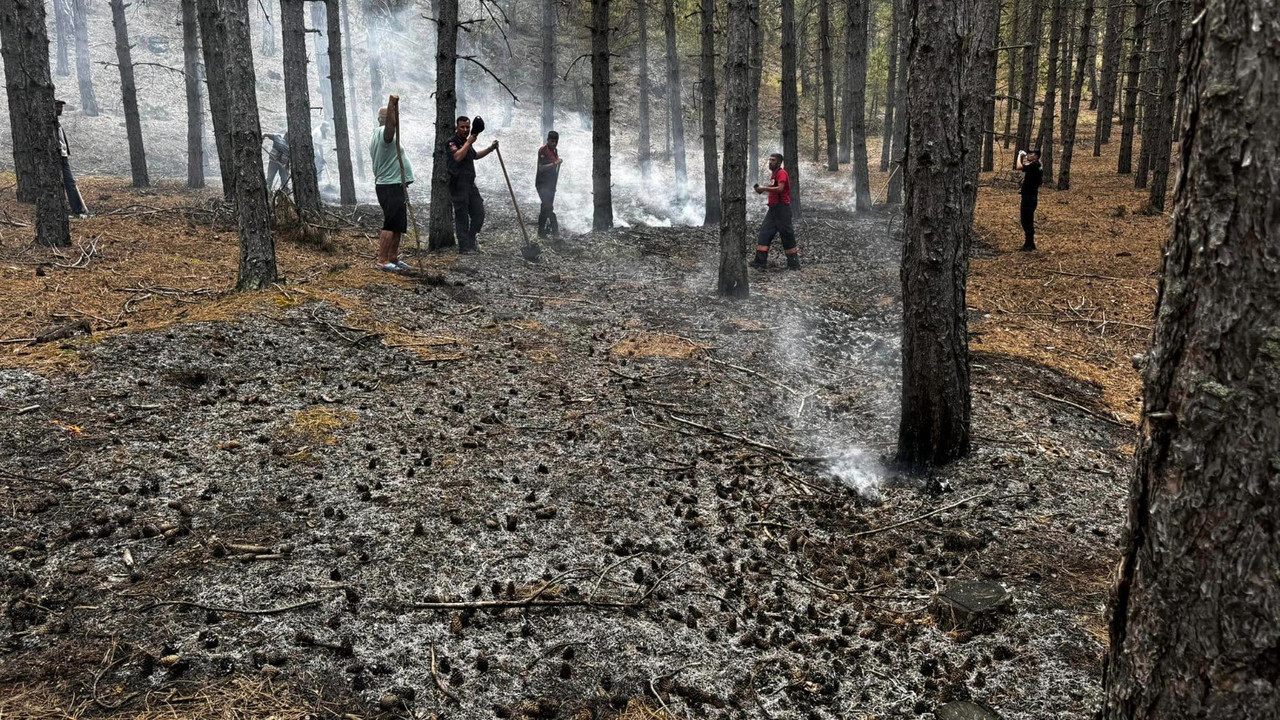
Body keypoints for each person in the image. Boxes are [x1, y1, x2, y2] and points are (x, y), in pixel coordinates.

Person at [369, 96, 413, 272]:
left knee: (398, 224)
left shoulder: (380, 135)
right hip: (389, 185)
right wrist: (392, 104)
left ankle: (392, 257)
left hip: (395, 185)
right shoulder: (383, 134)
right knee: (390, 223)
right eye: (393, 116)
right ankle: (381, 260)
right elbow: (390, 128)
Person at [445, 116, 499, 253]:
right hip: (458, 184)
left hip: (470, 184)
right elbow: (457, 157)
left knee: (479, 213)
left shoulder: (466, 142)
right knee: (462, 216)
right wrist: (468, 142)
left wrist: (490, 148)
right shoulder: (452, 142)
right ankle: (464, 247)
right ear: (456, 127)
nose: (465, 129)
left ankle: (471, 240)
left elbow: (474, 155)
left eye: (467, 127)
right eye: (462, 127)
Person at [750, 153, 799, 270]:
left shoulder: (782, 173)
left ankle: (794, 264)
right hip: (773, 210)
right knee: (765, 232)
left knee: (787, 235)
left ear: (779, 162)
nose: (770, 162)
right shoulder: (774, 174)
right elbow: (774, 186)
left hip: (782, 209)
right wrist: (761, 188)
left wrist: (764, 189)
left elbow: (780, 188)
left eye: (773, 160)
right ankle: (760, 261)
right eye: (770, 160)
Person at [54, 100, 88, 218]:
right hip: (56, 158)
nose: (60, 109)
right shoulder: (49, 123)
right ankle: (76, 210)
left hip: (63, 157)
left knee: (70, 183)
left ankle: (77, 209)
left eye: (61, 106)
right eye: (57, 106)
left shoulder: (57, 123)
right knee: (66, 183)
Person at [535, 131, 561, 240]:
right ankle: (556, 233)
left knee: (545, 207)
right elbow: (541, 168)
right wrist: (555, 163)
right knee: (548, 207)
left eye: (556, 141)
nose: (554, 143)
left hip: (551, 184)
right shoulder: (543, 151)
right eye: (552, 141)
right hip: (542, 184)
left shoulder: (555, 151)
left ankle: (541, 232)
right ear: (548, 140)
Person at [1017, 149, 1042, 251]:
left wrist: (1019, 156)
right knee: (1028, 220)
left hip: (1029, 197)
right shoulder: (1037, 165)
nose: (1029, 155)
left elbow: (1019, 166)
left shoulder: (1034, 166)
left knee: (1026, 220)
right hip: (1031, 196)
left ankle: (1028, 244)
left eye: (1031, 154)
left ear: (1036, 156)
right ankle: (1030, 243)